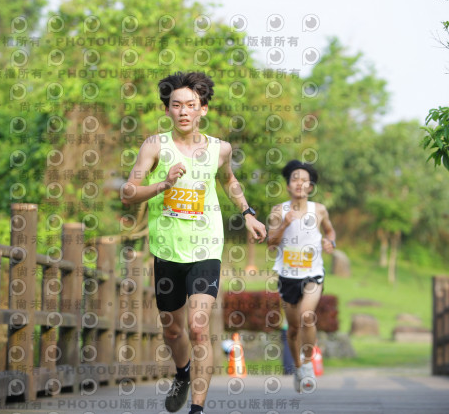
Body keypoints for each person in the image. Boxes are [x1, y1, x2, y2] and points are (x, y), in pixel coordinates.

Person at [121, 71, 267, 414]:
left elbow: (229, 181)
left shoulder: (220, 149)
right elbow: (128, 192)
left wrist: (247, 212)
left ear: (203, 109)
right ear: (167, 110)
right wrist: (162, 185)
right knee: (173, 331)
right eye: (176, 105)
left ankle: (197, 410)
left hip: (206, 249)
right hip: (167, 249)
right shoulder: (154, 146)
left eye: (191, 104)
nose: (184, 111)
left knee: (198, 327)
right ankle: (182, 373)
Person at [267, 160, 336, 393]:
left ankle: (307, 365)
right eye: (295, 179)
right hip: (287, 276)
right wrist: (284, 225)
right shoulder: (278, 211)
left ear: (310, 187)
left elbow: (330, 231)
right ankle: (297, 367)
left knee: (307, 316)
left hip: (313, 273)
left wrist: (330, 242)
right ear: (288, 185)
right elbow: (270, 244)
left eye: (305, 180)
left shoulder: (319, 210)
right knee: (294, 328)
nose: (299, 183)